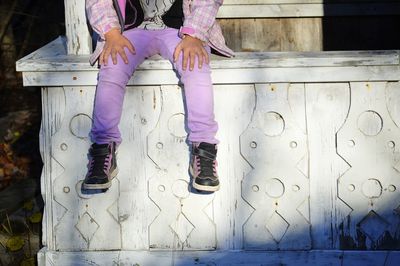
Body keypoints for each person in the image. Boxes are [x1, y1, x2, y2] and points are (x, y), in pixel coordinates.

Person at [83, 0, 233, 192]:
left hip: (182, 31)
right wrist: (111, 33)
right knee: (113, 66)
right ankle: (103, 147)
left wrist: (194, 35)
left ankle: (204, 147)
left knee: (195, 64)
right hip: (128, 32)